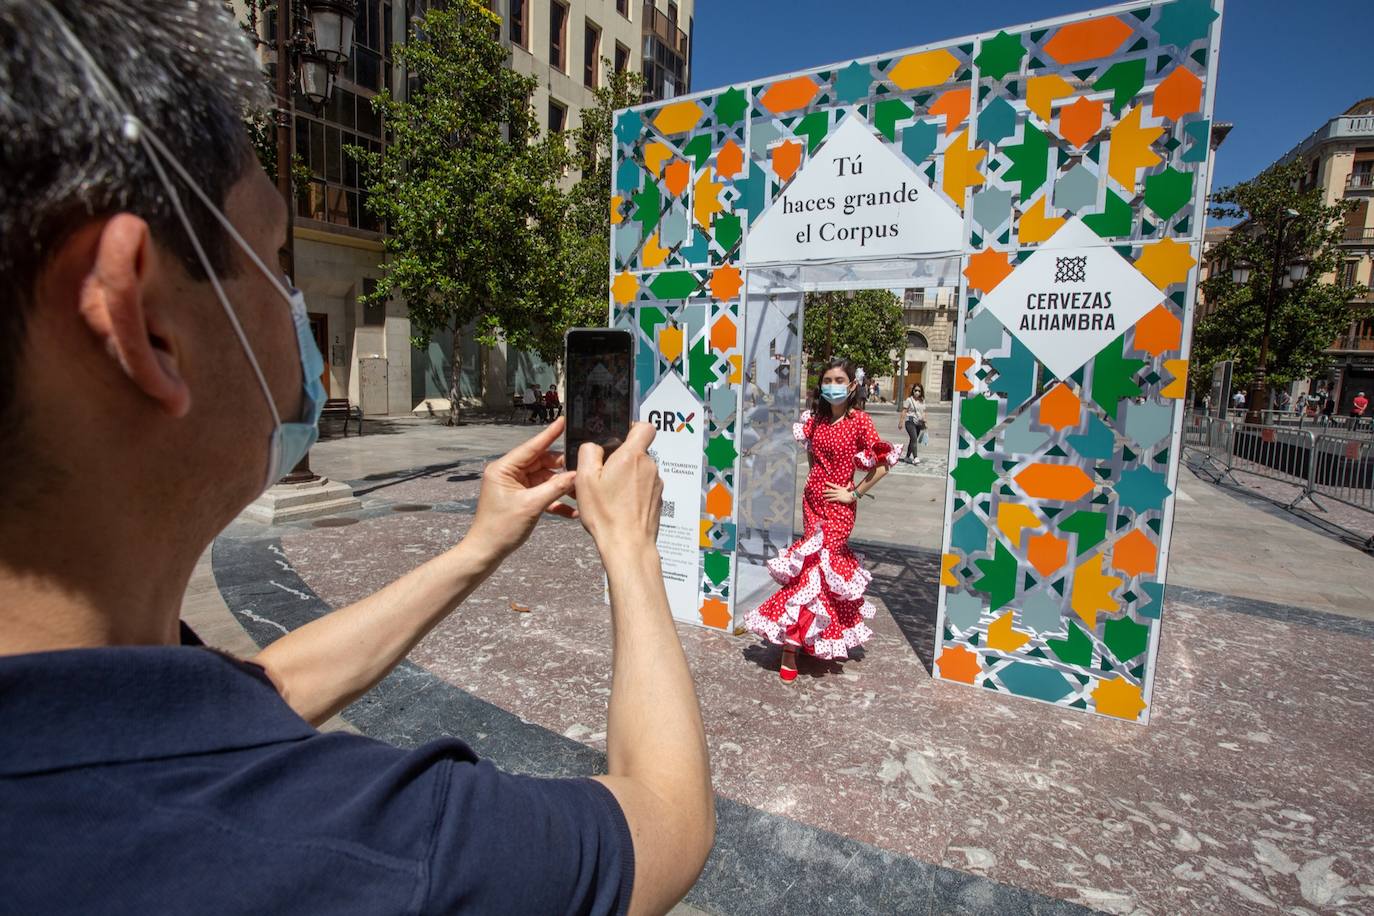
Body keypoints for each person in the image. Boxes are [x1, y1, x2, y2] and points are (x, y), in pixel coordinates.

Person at [0, 3, 713, 913]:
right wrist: (632, 552)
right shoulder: (367, 848)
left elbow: (266, 689)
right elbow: (665, 822)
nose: (293, 307)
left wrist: (476, 548)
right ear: (145, 322)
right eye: (272, 257)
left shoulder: (83, 701)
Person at [745, 358, 897, 681]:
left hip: (840, 507)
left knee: (822, 565)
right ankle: (806, 637)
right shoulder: (816, 420)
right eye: (827, 380)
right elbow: (815, 456)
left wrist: (852, 493)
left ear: (852, 385)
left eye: (839, 379)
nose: (832, 385)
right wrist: (817, 480)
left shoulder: (860, 422)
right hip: (812, 501)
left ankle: (793, 643)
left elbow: (883, 463)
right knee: (812, 565)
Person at [899, 383, 927, 464]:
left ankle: (907, 457)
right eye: (916, 390)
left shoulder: (922, 401)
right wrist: (901, 422)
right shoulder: (909, 400)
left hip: (919, 422)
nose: (917, 392)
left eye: (919, 391)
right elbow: (904, 411)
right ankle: (915, 457)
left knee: (913, 440)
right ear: (913, 391)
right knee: (914, 438)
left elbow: (924, 412)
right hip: (910, 422)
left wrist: (925, 422)